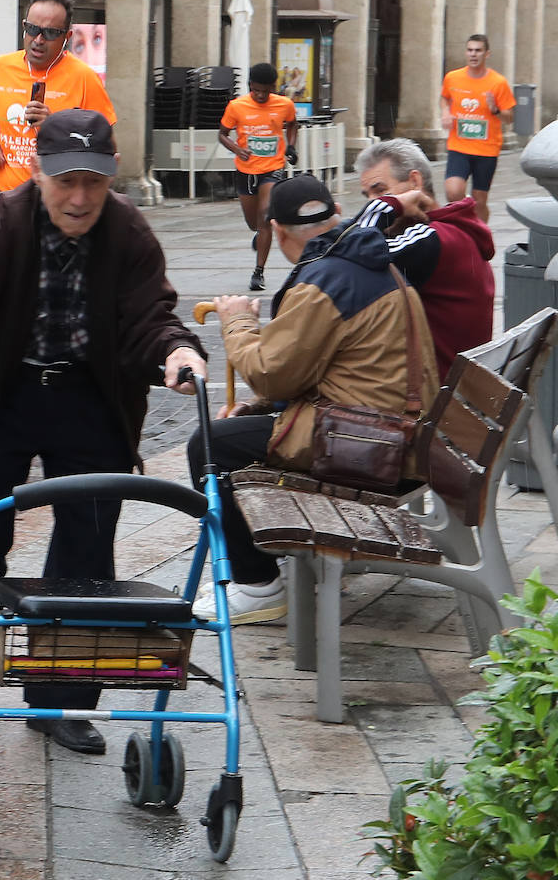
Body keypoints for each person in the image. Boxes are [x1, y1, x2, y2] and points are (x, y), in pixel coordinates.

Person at [0, 109, 207, 755]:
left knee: (88, 543)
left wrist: (176, 351)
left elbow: (150, 315)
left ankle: (59, 695)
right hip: (8, 391)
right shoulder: (4, 221)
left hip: (88, 394)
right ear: (40, 172)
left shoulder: (128, 230)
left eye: (94, 183)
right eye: (66, 180)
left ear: (112, 177)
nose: (79, 198)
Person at [186, 174, 436, 624]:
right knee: (238, 432)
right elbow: (307, 372)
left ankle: (256, 584)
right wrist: (260, 408)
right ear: (336, 214)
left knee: (209, 445)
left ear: (277, 232)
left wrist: (237, 321)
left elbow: (270, 374)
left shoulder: (326, 279)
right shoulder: (369, 260)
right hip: (400, 435)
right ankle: (272, 567)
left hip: (372, 447)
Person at [353, 138, 496, 377]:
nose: (374, 203)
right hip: (458, 390)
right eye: (367, 196)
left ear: (415, 182)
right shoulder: (454, 229)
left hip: (433, 398)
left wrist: (386, 208)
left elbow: (352, 255)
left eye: (380, 191)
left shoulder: (431, 240)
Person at [0, 0, 116, 193]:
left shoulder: (84, 77)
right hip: (9, 197)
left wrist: (56, 126)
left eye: (50, 33)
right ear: (24, 27)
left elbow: (105, 143)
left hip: (60, 200)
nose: (38, 39)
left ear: (67, 36)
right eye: (32, 29)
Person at [217, 62, 299, 293]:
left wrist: (291, 147)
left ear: (273, 87)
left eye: (266, 90)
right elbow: (222, 134)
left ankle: (258, 272)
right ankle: (259, 234)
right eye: (256, 90)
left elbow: (293, 124)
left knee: (265, 217)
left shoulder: (284, 104)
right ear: (250, 85)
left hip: (272, 167)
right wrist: (236, 149)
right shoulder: (236, 106)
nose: (261, 95)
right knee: (253, 222)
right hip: (245, 169)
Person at [439, 34, 515, 223]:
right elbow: (444, 97)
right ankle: (465, 224)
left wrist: (495, 110)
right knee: (453, 191)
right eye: (470, 50)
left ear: (487, 54)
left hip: (487, 149)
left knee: (480, 200)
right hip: (459, 146)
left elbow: (509, 118)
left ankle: (481, 235)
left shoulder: (498, 83)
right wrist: (445, 112)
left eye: (478, 50)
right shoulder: (453, 77)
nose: (473, 54)